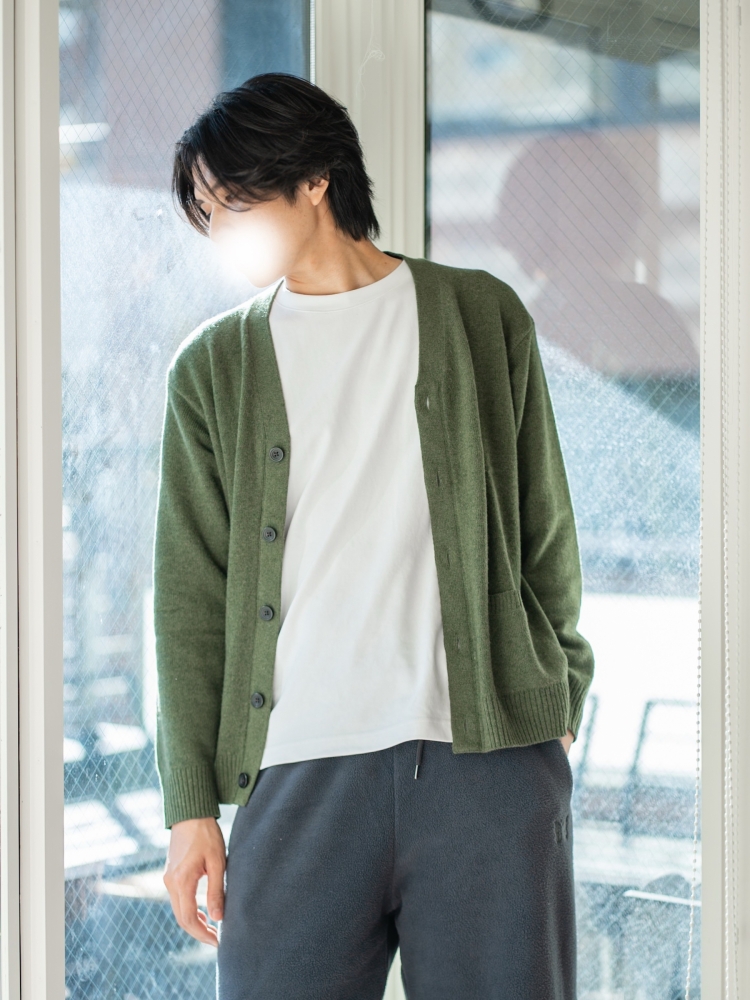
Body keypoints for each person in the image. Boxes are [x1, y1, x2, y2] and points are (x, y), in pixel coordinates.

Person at [154, 71, 595, 1000]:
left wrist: (559, 698)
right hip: (299, 772)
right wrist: (190, 805)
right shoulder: (214, 367)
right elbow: (189, 599)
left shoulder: (480, 315)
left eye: (231, 201)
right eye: (205, 213)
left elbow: (543, 529)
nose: (218, 228)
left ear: (314, 178)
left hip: (486, 768)